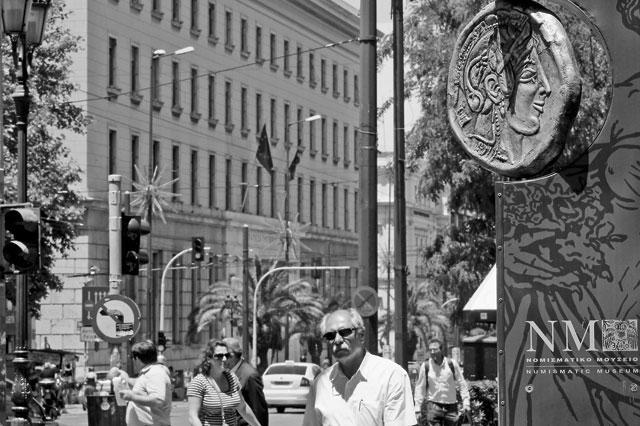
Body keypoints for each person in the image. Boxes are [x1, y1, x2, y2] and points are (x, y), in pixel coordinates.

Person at [303, 308, 417, 426]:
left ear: (361, 335)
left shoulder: (391, 376)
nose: (337, 340)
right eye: (330, 335)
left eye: (344, 332)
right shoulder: (320, 384)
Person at [187, 339, 261, 426]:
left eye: (227, 355)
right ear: (209, 359)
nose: (224, 359)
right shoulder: (199, 382)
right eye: (219, 356)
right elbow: (193, 417)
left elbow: (243, 408)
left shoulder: (232, 378)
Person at [414, 338, 470, 426]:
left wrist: (466, 403)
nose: (432, 352)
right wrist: (417, 408)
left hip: (451, 407)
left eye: (435, 349)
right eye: (430, 350)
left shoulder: (452, 364)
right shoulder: (426, 366)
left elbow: (462, 384)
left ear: (441, 350)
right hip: (433, 406)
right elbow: (420, 388)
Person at [118, 340, 173, 426]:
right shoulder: (149, 372)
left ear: (137, 359)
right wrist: (126, 379)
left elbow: (158, 400)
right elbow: (143, 385)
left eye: (132, 358)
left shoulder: (155, 373)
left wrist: (132, 397)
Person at [222, 337, 269, 426]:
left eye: (223, 355)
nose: (221, 359)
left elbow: (259, 412)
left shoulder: (250, 376)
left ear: (232, 355)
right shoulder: (228, 374)